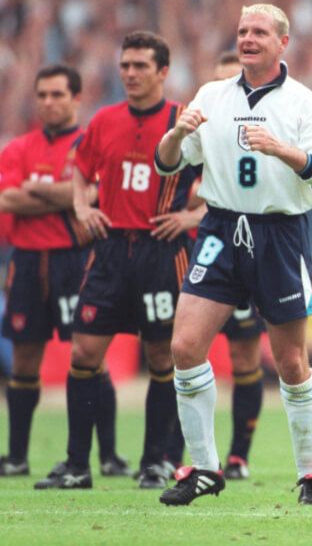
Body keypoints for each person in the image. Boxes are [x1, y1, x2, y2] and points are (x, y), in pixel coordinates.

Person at [154, 3, 312, 506]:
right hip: (219, 227)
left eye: (259, 32)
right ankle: (204, 469)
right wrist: (175, 133)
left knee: (290, 361)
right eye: (242, 31)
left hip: (278, 233)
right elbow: (169, 164)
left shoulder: (305, 104)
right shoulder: (212, 95)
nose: (248, 39)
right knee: (185, 347)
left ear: (283, 42)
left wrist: (284, 151)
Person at [32, 32, 198, 492]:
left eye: (141, 65)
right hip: (109, 251)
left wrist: (190, 215)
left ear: (163, 71)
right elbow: (81, 169)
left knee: (161, 355)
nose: (130, 73)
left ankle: (156, 462)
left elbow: (219, 181)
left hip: (161, 250)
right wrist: (82, 207)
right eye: (125, 65)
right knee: (84, 352)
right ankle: (76, 464)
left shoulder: (183, 119)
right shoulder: (104, 120)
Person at [0, 65, 129, 479]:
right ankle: (16, 456)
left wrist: (36, 190)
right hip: (27, 260)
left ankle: (108, 455)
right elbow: (7, 200)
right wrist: (64, 195)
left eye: (57, 94)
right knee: (24, 358)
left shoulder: (90, 144)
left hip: (77, 260)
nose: (49, 102)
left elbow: (93, 193)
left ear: (76, 98)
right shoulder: (18, 147)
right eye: (42, 95)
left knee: (90, 355)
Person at [162, 51, 268, 481]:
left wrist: (196, 212)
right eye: (225, 81)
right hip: (195, 257)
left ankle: (239, 455)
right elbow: (171, 187)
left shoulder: (256, 133)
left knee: (245, 355)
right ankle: (175, 453)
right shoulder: (200, 132)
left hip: (243, 249)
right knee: (183, 349)